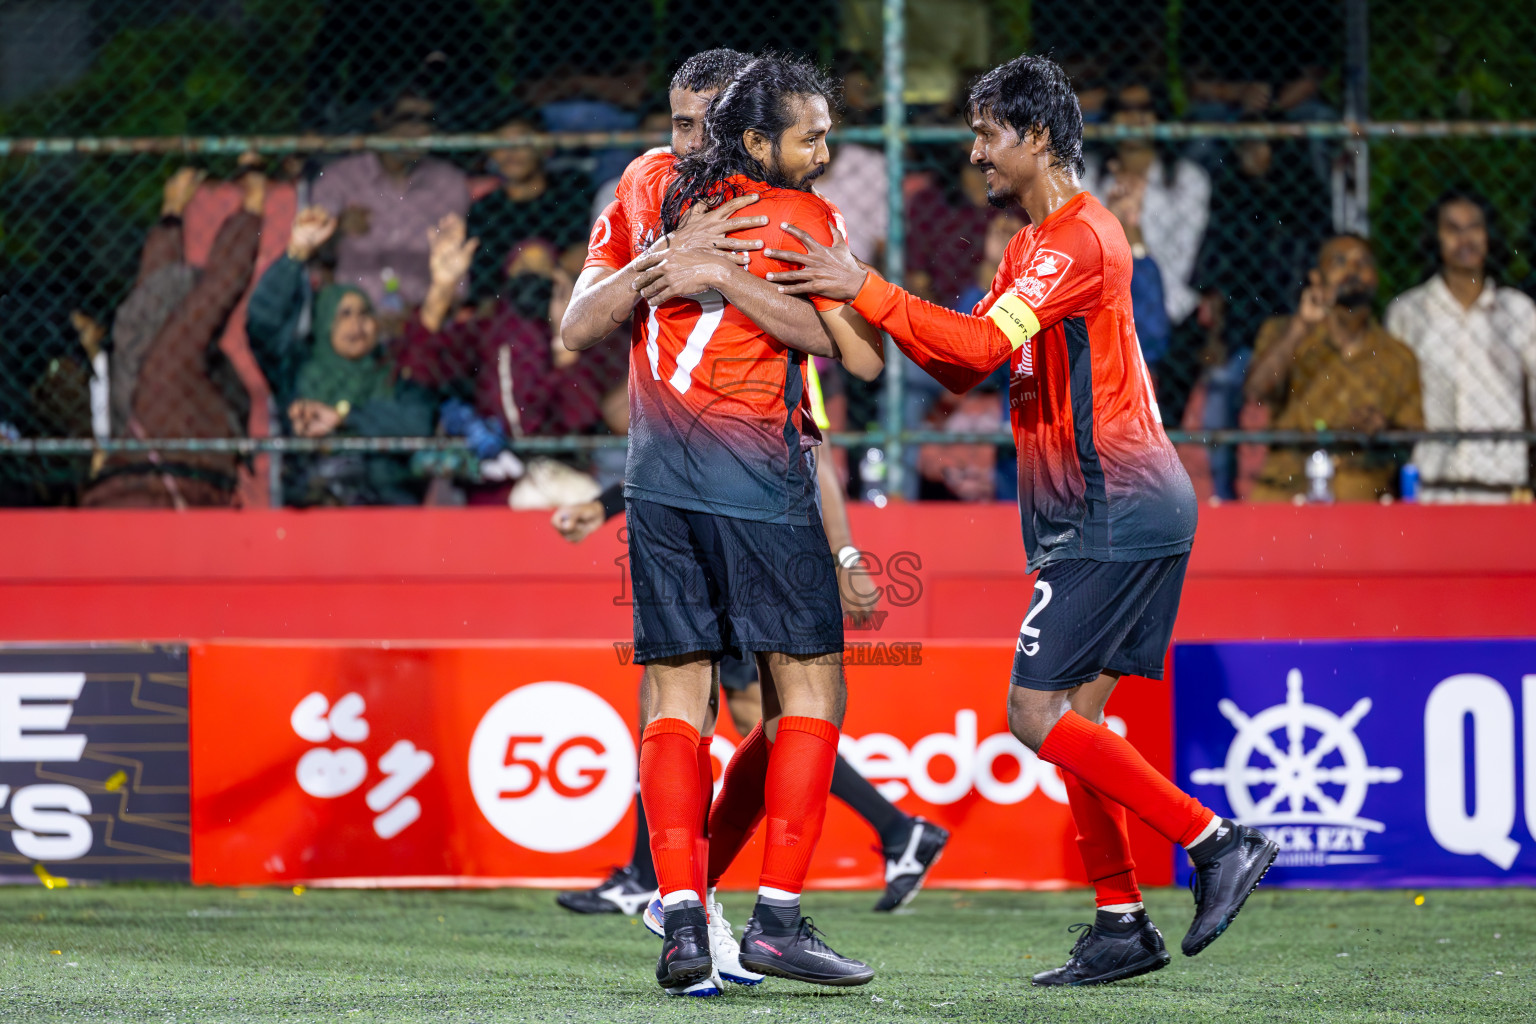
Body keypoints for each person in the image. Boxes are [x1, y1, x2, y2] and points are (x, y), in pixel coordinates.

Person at [765, 52, 1280, 988]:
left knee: (1034, 713)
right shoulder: (1031, 246)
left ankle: (1218, 842)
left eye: (988, 135)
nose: (975, 155)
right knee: (1079, 727)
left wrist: (862, 286)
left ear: (1036, 136)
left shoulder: (1081, 240)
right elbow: (967, 365)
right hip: (1100, 509)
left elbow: (966, 342)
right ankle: (1122, 922)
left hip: (1112, 508)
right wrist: (863, 300)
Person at [561, 53, 884, 993]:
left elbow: (585, 330)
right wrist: (675, 262)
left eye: (701, 125)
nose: (687, 146)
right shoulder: (775, 211)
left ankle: (685, 927)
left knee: (676, 700)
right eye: (680, 126)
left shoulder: (652, 186)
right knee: (809, 695)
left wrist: (703, 268)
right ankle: (775, 916)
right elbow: (859, 354)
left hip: (658, 480)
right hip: (755, 485)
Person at [82, 167, 265, 509]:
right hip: (163, 506)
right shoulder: (169, 365)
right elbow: (219, 289)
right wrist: (252, 211)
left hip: (124, 504)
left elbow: (154, 290)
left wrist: (171, 213)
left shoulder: (132, 354)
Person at [246, 207, 435, 506]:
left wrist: (343, 417)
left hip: (385, 508)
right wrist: (295, 254)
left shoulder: (392, 369)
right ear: (324, 322)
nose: (356, 325)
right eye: (343, 315)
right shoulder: (297, 367)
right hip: (314, 506)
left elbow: (418, 424)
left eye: (365, 314)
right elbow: (263, 322)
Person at [1243, 235, 1425, 502]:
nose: (1353, 270)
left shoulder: (1398, 356)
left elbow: (1412, 433)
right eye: (1340, 261)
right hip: (1288, 490)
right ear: (1317, 277)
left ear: (1375, 277)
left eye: (1362, 263)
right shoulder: (1284, 333)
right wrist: (1300, 328)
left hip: (1362, 497)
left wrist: (1383, 429)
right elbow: (1256, 391)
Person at [1384, 190, 1536, 503]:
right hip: (1433, 482)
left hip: (1504, 484)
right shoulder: (1408, 312)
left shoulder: (1519, 311)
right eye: (1452, 228)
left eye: (1474, 227)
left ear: (1490, 235)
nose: (1465, 239)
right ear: (1435, 239)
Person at [311, 92, 470, 311]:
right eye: (408, 118)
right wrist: (336, 229)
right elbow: (311, 253)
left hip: (423, 317)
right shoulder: (340, 178)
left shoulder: (448, 183)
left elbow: (458, 267)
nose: (419, 130)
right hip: (354, 316)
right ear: (381, 119)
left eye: (427, 120)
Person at [466, 116, 594, 308]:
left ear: (544, 148)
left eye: (522, 142)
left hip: (570, 300)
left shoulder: (570, 193)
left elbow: (585, 254)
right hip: (509, 311)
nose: (511, 153)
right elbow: (484, 291)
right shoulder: (485, 210)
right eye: (501, 144)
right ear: (491, 153)